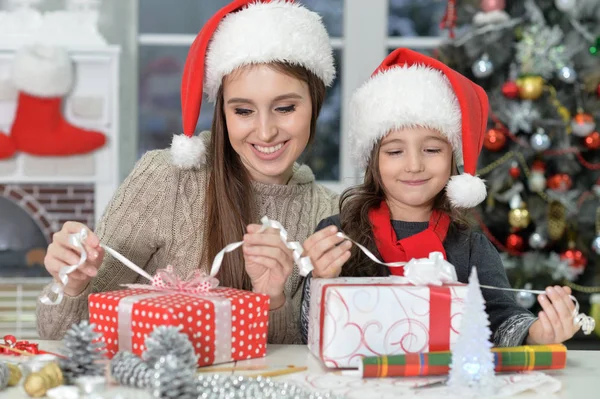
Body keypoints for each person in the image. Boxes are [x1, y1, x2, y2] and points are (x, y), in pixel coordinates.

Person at [37, 0, 339, 344]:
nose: (266, 131)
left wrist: (272, 300)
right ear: (222, 113)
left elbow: (309, 360)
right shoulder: (166, 178)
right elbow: (59, 335)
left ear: (315, 103)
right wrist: (72, 284)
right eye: (243, 111)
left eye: (285, 108)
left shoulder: (327, 214)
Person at [300, 48, 580, 347]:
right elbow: (309, 332)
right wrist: (320, 281)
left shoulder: (471, 246)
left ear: (452, 157)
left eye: (432, 150)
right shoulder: (338, 236)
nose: (414, 165)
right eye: (395, 151)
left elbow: (501, 319)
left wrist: (538, 332)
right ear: (373, 160)